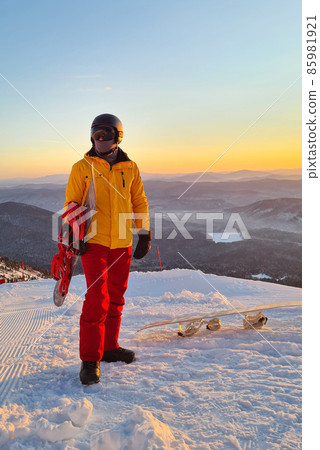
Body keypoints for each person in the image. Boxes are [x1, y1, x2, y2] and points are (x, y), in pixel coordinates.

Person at [63, 113, 151, 385]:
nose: (100, 139)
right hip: (94, 243)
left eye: (106, 133)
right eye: (96, 133)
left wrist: (144, 234)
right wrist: (77, 235)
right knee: (96, 299)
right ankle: (90, 359)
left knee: (116, 296)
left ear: (117, 137)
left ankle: (109, 348)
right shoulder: (82, 167)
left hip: (122, 243)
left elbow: (139, 201)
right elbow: (72, 203)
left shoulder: (131, 168)